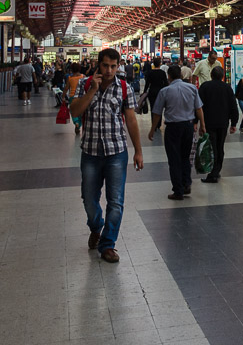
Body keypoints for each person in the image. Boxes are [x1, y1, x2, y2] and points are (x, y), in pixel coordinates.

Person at [68, 48, 143, 264]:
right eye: (105, 65)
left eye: (113, 66)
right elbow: (74, 112)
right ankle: (95, 226)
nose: (109, 70)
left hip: (116, 153)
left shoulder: (124, 88)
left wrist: (138, 151)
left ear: (118, 66)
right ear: (98, 65)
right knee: (89, 199)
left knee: (116, 201)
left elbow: (131, 120)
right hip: (90, 153)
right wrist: (92, 90)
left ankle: (108, 244)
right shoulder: (84, 84)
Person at [152, 65, 206, 200]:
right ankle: (186, 183)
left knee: (174, 159)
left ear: (169, 76)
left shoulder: (165, 91)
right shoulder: (192, 88)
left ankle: (178, 190)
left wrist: (152, 129)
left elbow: (157, 113)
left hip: (173, 128)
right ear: (181, 75)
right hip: (188, 127)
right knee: (185, 157)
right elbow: (199, 109)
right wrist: (202, 126)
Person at [197, 66, 238, 183]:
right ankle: (217, 170)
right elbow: (233, 106)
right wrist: (234, 123)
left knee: (212, 147)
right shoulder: (227, 88)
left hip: (209, 122)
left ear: (211, 75)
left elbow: (199, 106)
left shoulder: (205, 87)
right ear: (222, 76)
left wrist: (197, 122)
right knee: (220, 147)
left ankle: (213, 173)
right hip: (223, 123)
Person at [142, 59, 169, 141]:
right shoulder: (162, 73)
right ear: (160, 64)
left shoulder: (150, 72)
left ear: (153, 64)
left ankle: (154, 124)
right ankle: (158, 124)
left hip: (152, 92)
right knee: (160, 108)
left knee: (153, 108)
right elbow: (166, 83)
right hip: (161, 92)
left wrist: (144, 92)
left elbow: (147, 83)